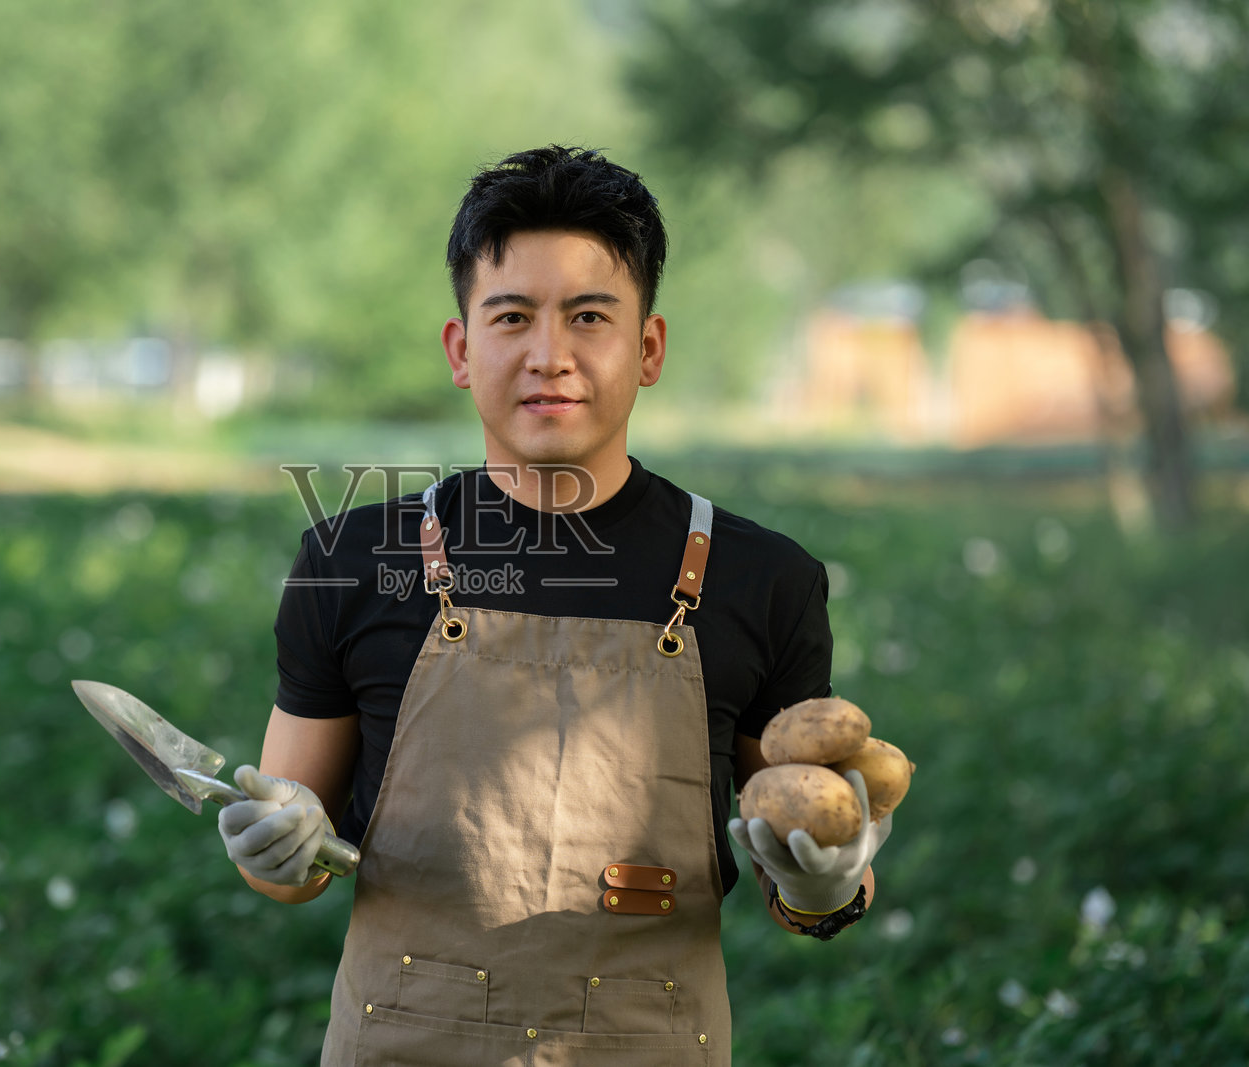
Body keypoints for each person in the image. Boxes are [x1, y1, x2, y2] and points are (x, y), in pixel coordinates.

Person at [215, 145, 893, 1066]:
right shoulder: (350, 559)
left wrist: (826, 887)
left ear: (647, 348)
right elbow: (294, 854)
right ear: (462, 350)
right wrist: (271, 850)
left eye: (588, 317)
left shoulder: (761, 578)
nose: (550, 356)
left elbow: (798, 865)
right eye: (512, 316)